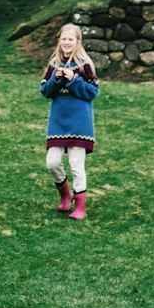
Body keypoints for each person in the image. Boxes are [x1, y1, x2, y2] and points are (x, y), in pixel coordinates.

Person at [39, 22, 99, 220]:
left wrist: (74, 79)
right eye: (63, 39)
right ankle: (65, 195)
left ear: (77, 41)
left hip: (79, 123)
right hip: (58, 122)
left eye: (70, 39)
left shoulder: (85, 65)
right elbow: (45, 91)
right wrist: (56, 79)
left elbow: (92, 92)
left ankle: (81, 207)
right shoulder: (54, 64)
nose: (66, 42)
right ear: (59, 41)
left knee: (76, 164)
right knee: (52, 162)